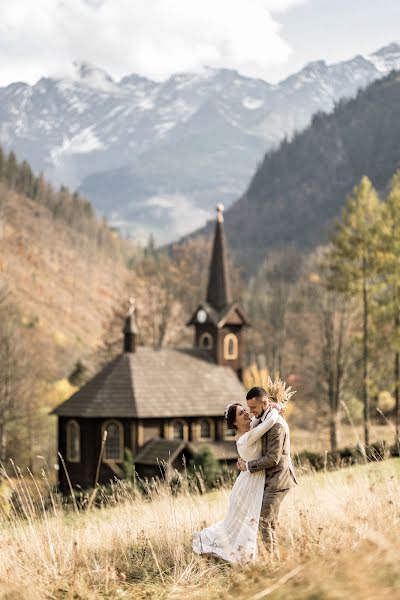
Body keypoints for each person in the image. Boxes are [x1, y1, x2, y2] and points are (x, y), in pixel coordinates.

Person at [192, 399, 283, 563]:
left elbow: (258, 419)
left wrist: (269, 405)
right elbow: (269, 421)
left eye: (245, 410)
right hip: (250, 484)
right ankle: (238, 554)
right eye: (241, 413)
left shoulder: (250, 429)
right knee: (244, 521)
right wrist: (276, 408)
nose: (247, 413)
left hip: (251, 479)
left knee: (245, 521)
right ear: (234, 422)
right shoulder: (245, 438)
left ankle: (248, 555)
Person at [237, 385, 298, 557]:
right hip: (271, 479)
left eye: (254, 408)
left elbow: (273, 458)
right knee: (268, 522)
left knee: (263, 521)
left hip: (279, 479)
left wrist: (248, 466)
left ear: (264, 403)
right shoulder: (266, 418)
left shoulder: (277, 425)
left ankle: (271, 562)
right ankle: (274, 560)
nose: (251, 412)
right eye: (249, 408)